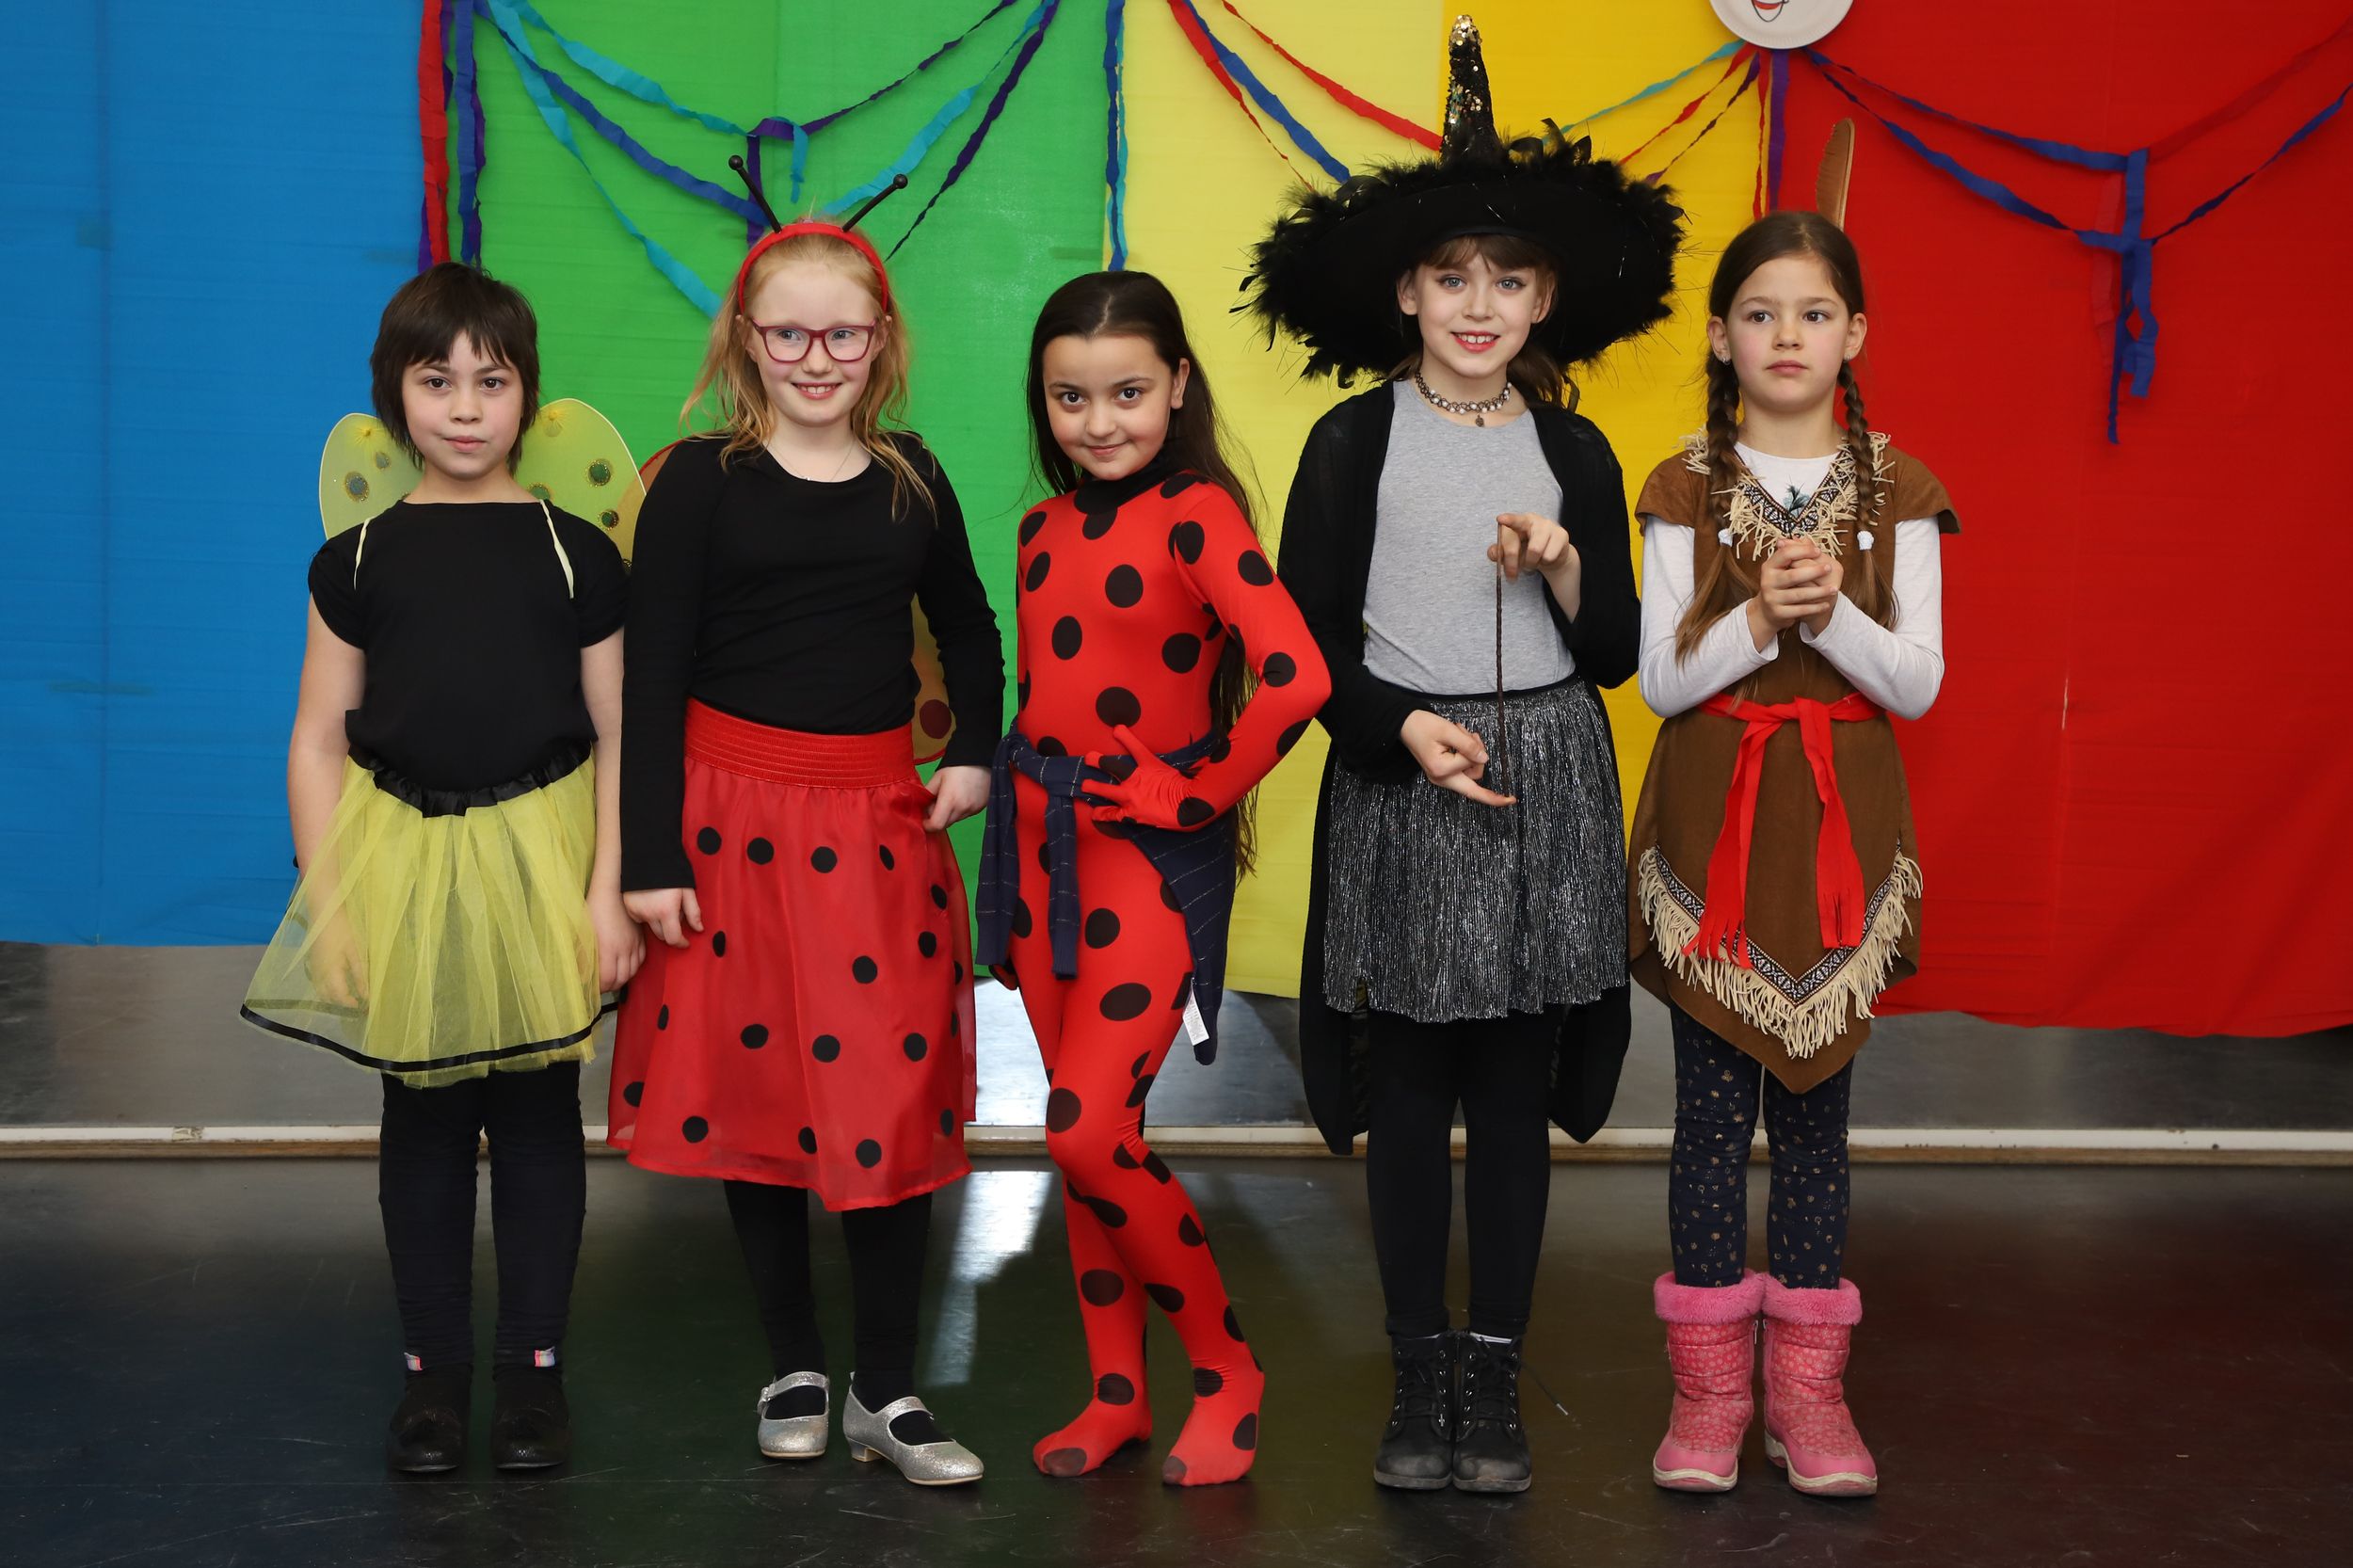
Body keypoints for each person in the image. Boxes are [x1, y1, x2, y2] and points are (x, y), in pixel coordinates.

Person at [1244, 17, 1681, 1496]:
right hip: (1404, 774)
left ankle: (1494, 1365)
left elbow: (1614, 649)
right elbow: (1306, 644)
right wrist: (1397, 728)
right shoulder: (1350, 443)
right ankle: (1414, 1365)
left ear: (1542, 296)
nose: (1477, 304)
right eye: (1451, 277)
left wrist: (1564, 564)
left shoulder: (1577, 453)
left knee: (1509, 1088)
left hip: (1549, 780)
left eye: (1506, 279)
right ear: (1407, 292)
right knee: (1411, 1081)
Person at [607, 191, 1001, 1486]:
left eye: (844, 335)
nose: (817, 359)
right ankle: (793, 1361)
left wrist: (976, 749)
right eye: (789, 335)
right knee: (760, 1089)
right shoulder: (699, 483)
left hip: (873, 821)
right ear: (746, 341)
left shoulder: (913, 477)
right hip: (727, 822)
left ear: (881, 340)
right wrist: (649, 855)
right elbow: (652, 673)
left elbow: (970, 626)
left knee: (887, 1097)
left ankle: (887, 1386)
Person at [242, 262, 637, 1474]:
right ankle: (432, 1377)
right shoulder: (356, 562)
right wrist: (332, 905)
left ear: (528, 398)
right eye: (436, 381)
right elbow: (317, 741)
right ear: (394, 397)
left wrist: (607, 893)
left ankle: (533, 1378)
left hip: (542, 862)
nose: (465, 407)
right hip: (402, 858)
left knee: (536, 1118)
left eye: (492, 381)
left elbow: (621, 734)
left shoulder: (578, 557)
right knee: (420, 1118)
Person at [975, 269, 1330, 1487]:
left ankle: (1227, 1371)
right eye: (1069, 397)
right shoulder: (1038, 531)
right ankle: (1116, 1394)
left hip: (1144, 866)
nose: (1099, 421)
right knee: (1089, 1144)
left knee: (1082, 1130)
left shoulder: (1198, 516)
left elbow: (1296, 674)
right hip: (1037, 856)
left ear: (1178, 385)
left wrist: (1198, 791)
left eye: (1127, 392)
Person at [1629, 209, 1957, 1499]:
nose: (1786, 336)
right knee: (1710, 1124)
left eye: (1814, 314)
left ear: (1854, 333)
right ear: (1720, 335)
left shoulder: (1901, 488)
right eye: (1759, 313)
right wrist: (1762, 615)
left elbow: (1918, 684)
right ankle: (1709, 1394)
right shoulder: (1682, 485)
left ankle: (1809, 1397)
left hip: (1837, 837)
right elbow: (1662, 682)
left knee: (1818, 1124)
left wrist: (1834, 622)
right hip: (1715, 835)